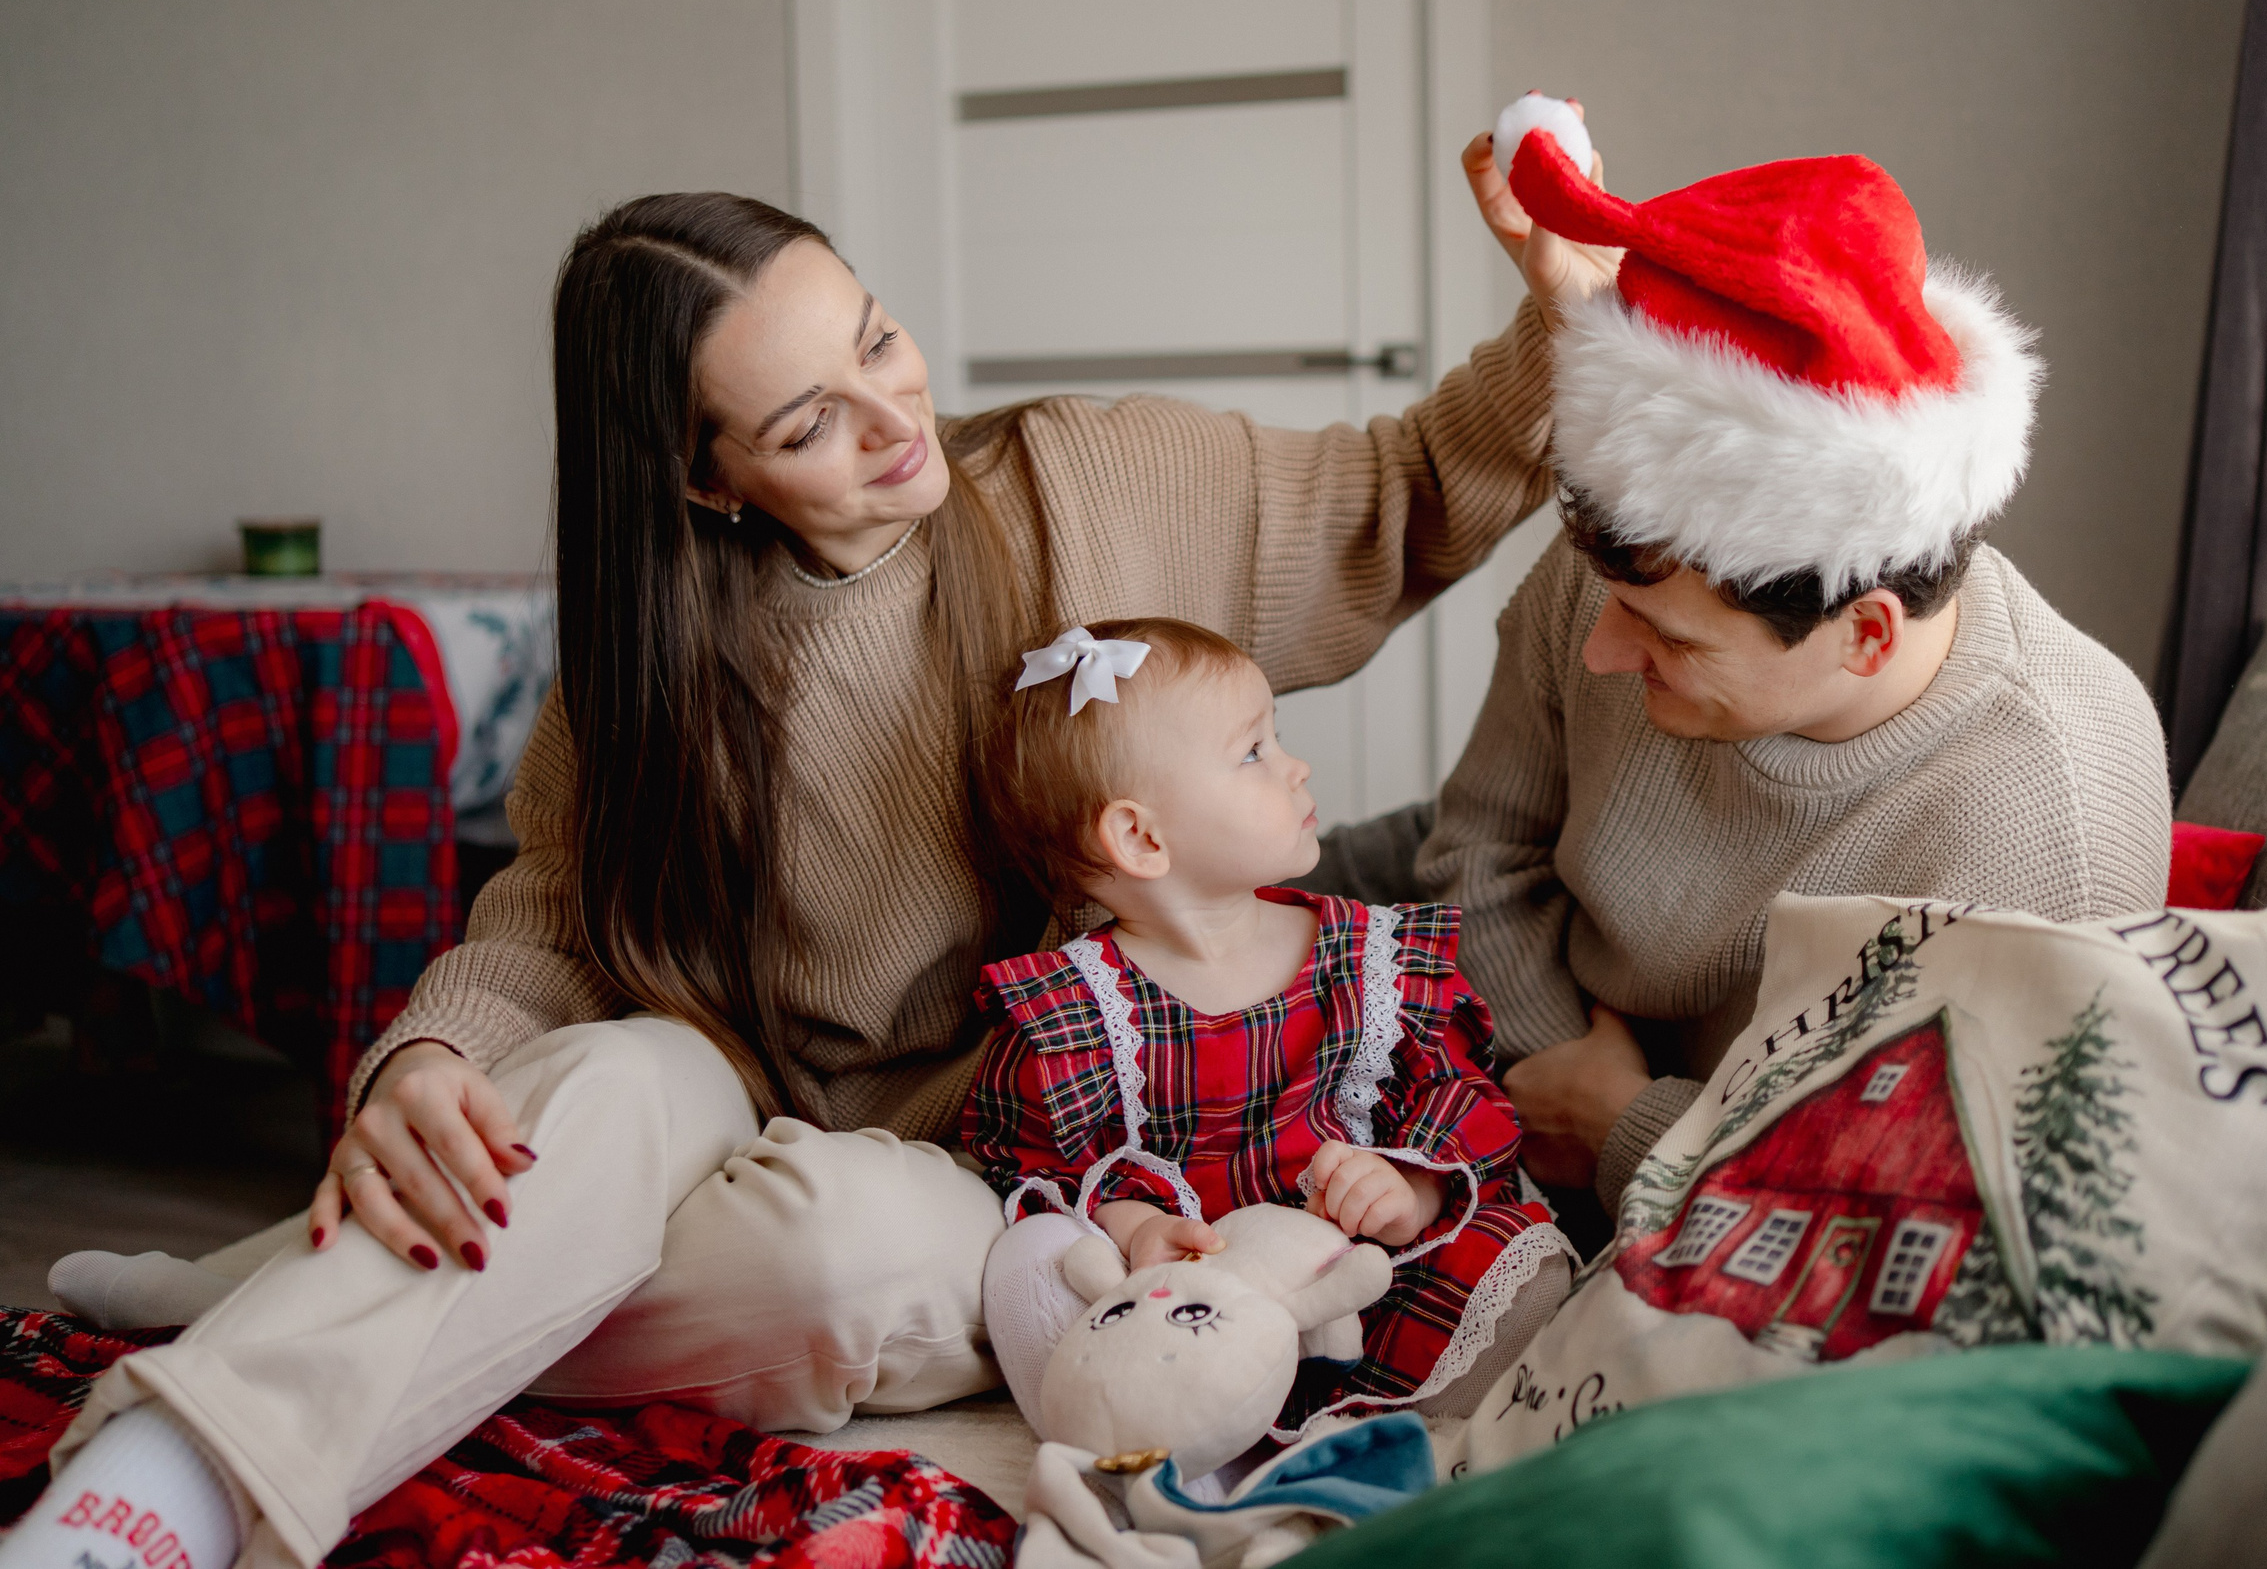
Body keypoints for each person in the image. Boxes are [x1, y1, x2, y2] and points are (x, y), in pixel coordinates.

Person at [13, 115, 1613, 1569]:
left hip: (988, 1183)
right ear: (704, 479)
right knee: (629, 1082)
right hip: (719, 1110)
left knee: (843, 1261)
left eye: (880, 340)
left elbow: (1400, 490)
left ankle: (263, 1301)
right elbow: (552, 920)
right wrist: (425, 1060)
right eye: (807, 421)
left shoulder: (1089, 481)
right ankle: (150, 1494)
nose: (891, 419)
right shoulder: (652, 669)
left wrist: (1561, 314)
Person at [1417, 97, 2173, 1226]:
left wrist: (1624, 1128)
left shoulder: (2050, 818)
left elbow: (1943, 1196)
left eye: (1667, 640)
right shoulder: (1642, 556)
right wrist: (1557, 1070)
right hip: (1519, 1063)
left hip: (1723, 1195)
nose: (1601, 651)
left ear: (1866, 632)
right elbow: (1479, 848)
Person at [959, 619, 1572, 1437]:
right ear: (1140, 837)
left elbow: (1458, 1092)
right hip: (1198, 1312)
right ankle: (1186, 1435)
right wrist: (1137, 1227)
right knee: (1033, 1264)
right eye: (1254, 752)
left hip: (1362, 1274)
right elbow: (1036, 1167)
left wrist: (1409, 1186)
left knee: (1518, 1263)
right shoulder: (1078, 1013)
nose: (1296, 765)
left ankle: (1379, 1420)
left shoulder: (1367, 957)